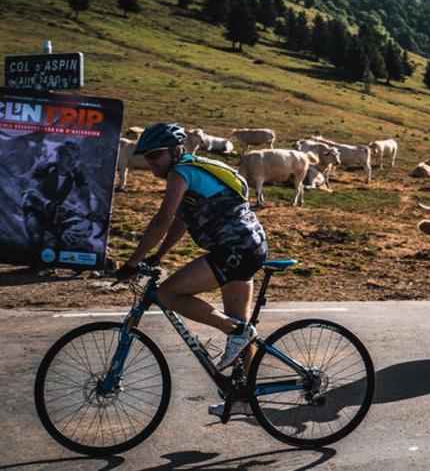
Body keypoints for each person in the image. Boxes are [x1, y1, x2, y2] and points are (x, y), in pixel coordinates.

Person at [114, 122, 268, 418]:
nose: (152, 163)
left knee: (169, 294)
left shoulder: (180, 171)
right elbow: (179, 224)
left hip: (235, 248)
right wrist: (158, 256)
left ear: (175, 151)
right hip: (248, 246)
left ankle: (236, 332)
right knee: (240, 327)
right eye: (147, 158)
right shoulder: (191, 174)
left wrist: (131, 263)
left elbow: (161, 219)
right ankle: (246, 398)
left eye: (156, 156)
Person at [23, 140, 93, 272]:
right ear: (58, 156)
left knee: (59, 236)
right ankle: (33, 264)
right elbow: (30, 190)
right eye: (68, 156)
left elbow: (85, 195)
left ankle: (51, 262)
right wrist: (45, 203)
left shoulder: (76, 174)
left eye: (76, 158)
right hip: (35, 207)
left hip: (55, 210)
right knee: (35, 232)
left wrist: (89, 212)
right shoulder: (46, 168)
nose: (71, 161)